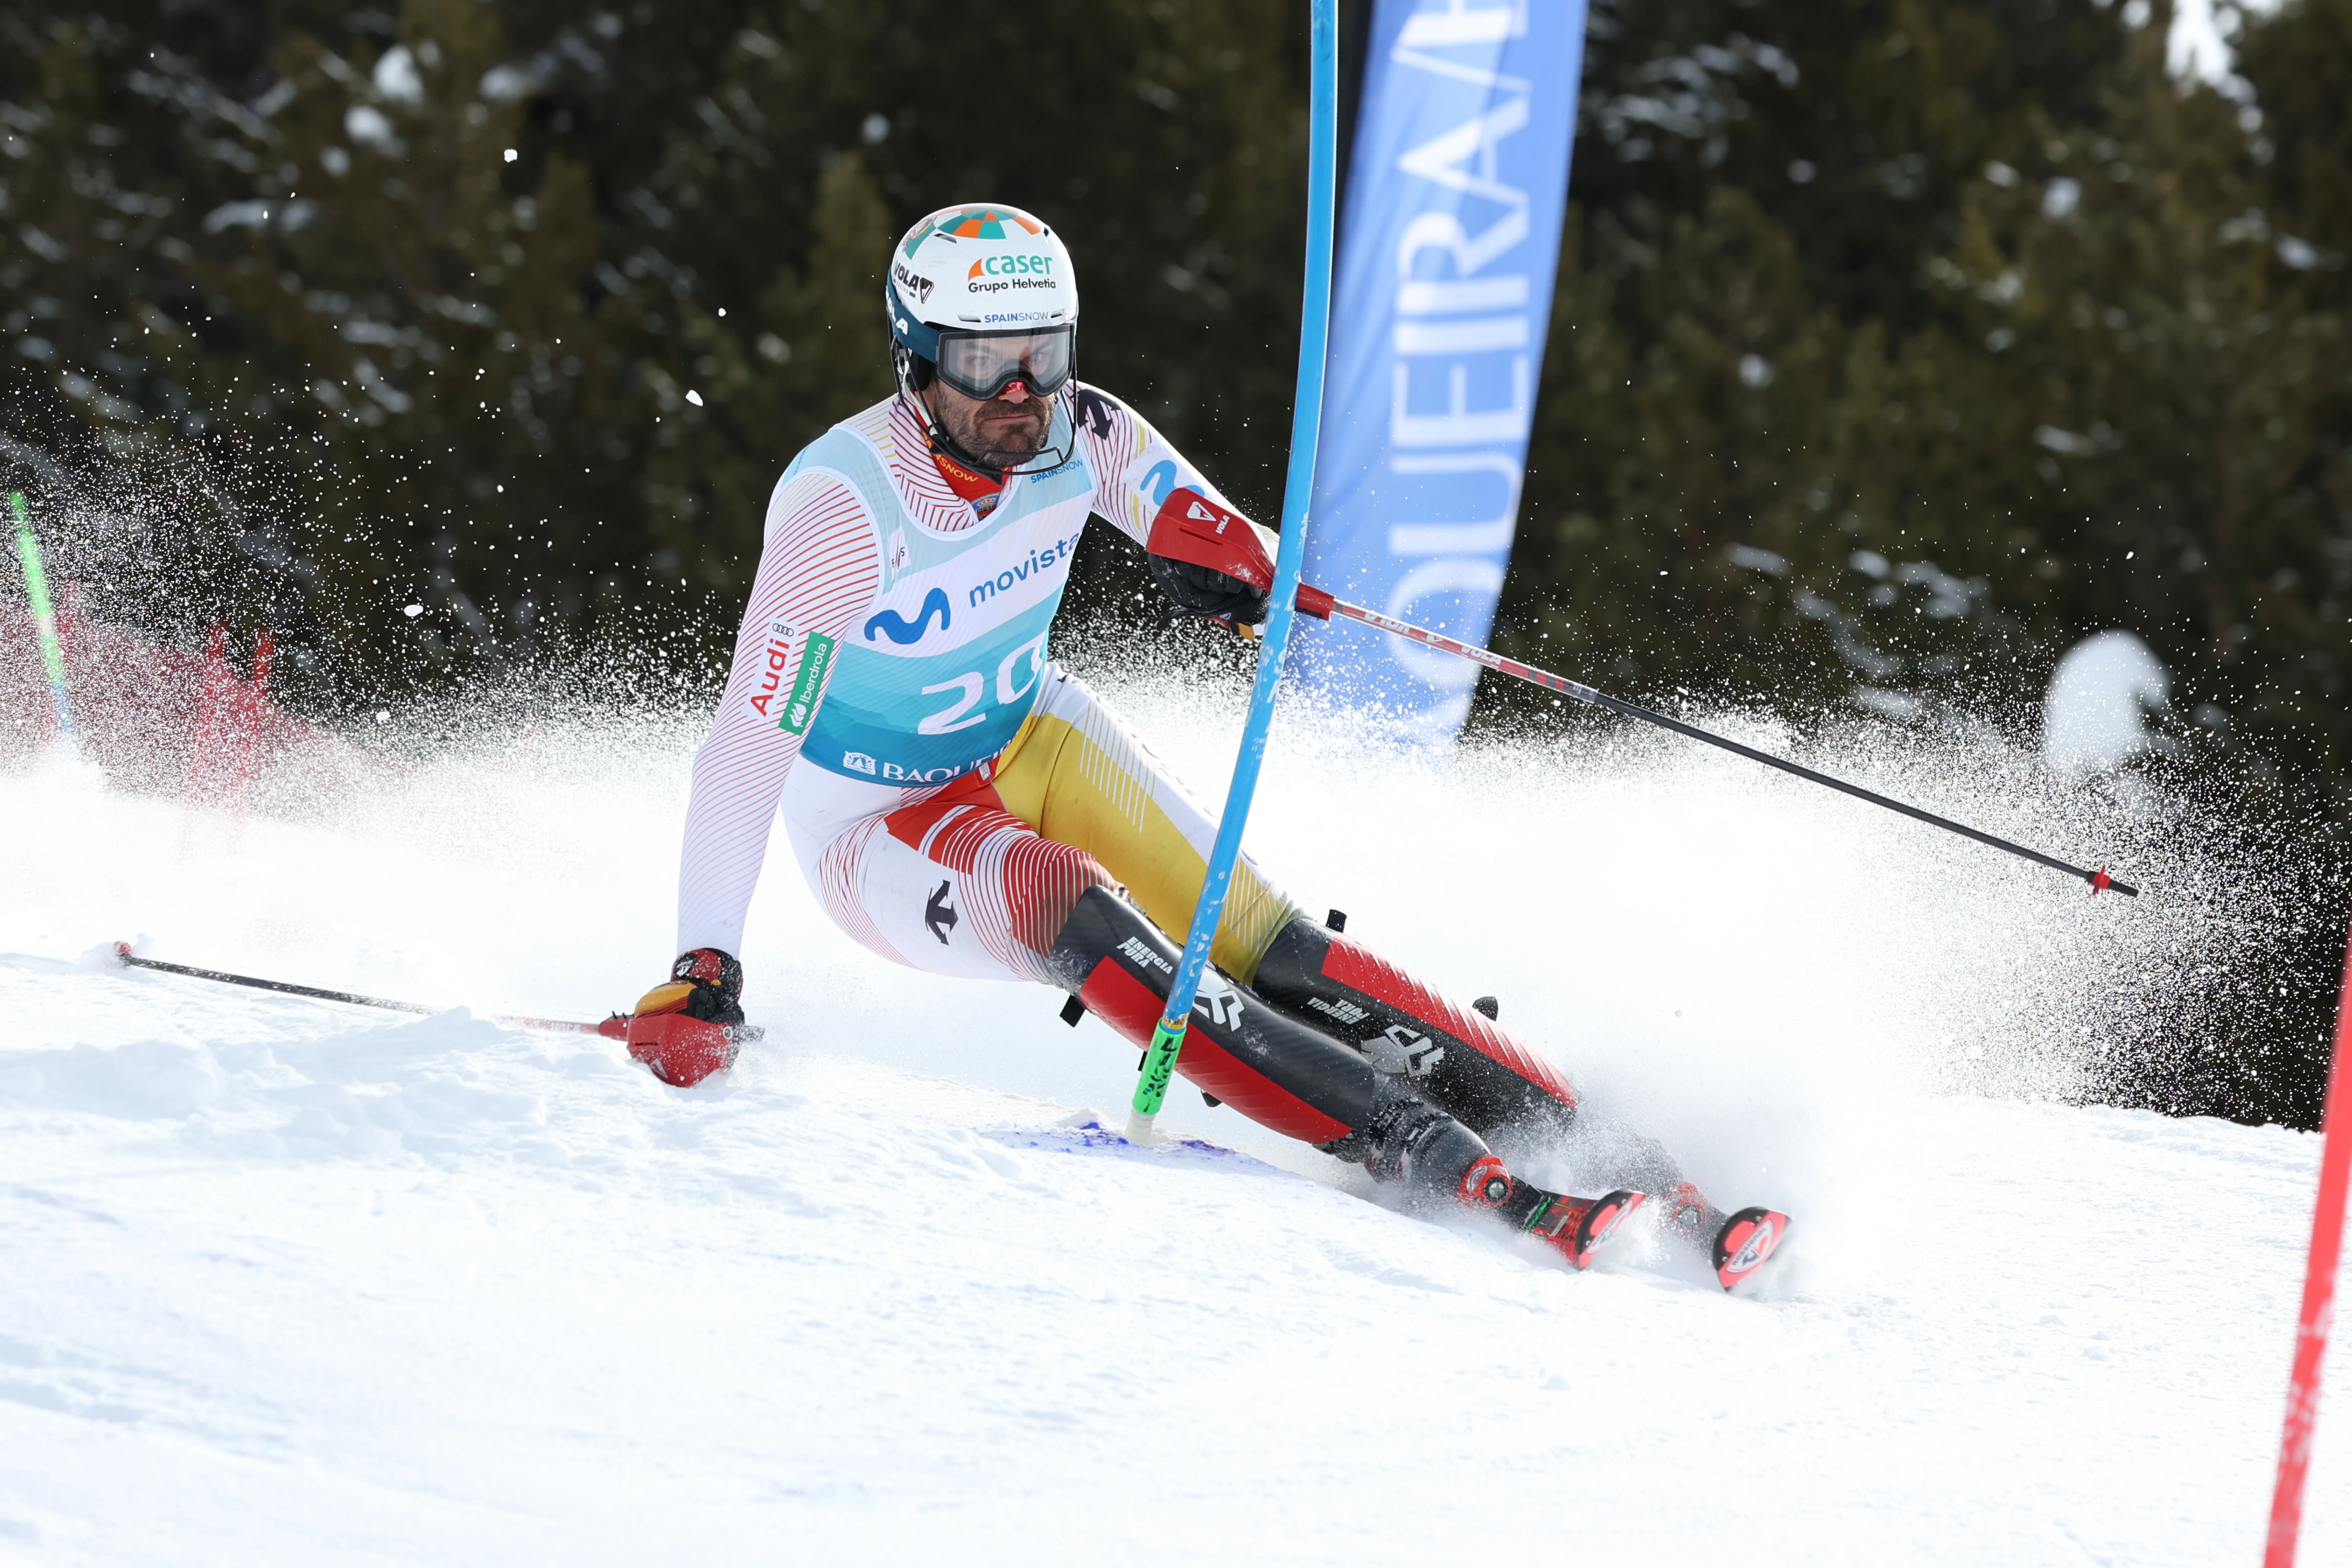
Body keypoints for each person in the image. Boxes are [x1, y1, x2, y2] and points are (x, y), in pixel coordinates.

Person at [623, 202, 1786, 1289]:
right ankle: (1428, 1156)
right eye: (985, 363)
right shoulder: (846, 510)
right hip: (878, 822)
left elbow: (1224, 536)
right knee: (1063, 897)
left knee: (1264, 941)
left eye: (1044, 352)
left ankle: (1634, 1163)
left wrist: (1248, 576)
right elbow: (743, 748)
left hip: (1031, 733)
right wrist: (706, 970)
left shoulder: (1083, 430)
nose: (1022, 393)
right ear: (917, 359)